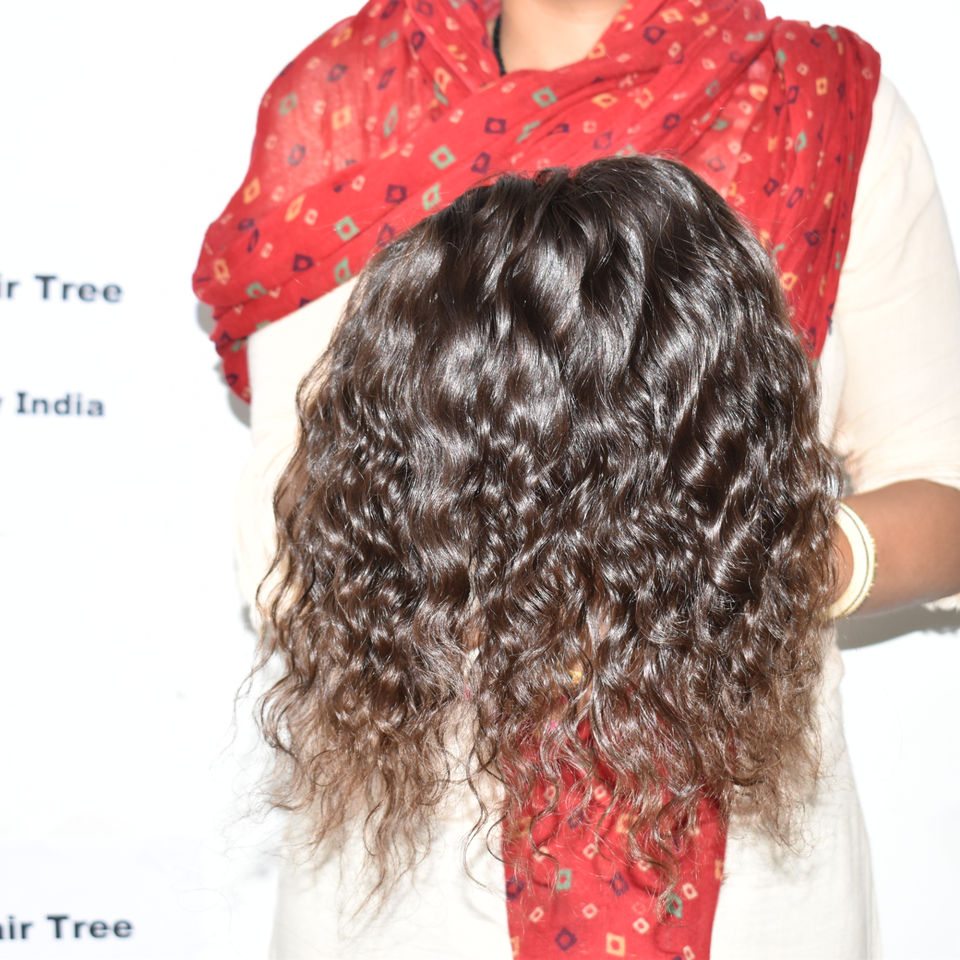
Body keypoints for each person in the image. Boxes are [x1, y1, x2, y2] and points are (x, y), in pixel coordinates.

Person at [193, 1, 960, 956]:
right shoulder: (346, 100)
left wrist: (741, 575)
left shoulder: (818, 102)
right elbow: (285, 529)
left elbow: (941, 487)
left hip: (747, 852)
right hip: (416, 858)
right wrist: (484, 591)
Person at [255, 155, 842, 958]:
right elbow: (299, 540)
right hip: (420, 864)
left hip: (752, 843)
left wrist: (765, 562)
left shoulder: (828, 128)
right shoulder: (319, 176)